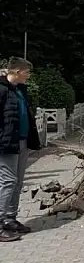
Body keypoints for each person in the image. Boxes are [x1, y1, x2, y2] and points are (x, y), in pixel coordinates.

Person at [0, 57, 41, 241]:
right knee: (8, 180)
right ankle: (0, 223)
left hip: (21, 141)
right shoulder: (2, 90)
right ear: (17, 71)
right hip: (7, 143)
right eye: (27, 72)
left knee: (17, 181)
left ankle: (10, 218)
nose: (29, 76)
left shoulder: (19, 91)